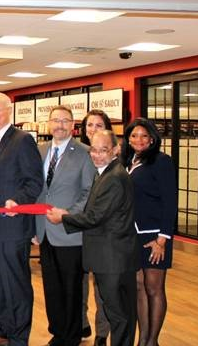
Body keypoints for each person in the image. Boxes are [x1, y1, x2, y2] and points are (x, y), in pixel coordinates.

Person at [46, 130, 139, 346]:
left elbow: (95, 217)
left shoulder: (114, 178)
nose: (97, 155)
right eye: (93, 150)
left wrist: (64, 217)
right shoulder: (104, 173)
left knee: (119, 314)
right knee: (117, 311)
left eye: (103, 150)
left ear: (115, 149)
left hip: (113, 259)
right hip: (109, 258)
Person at [0, 93, 43, 346]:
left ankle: (19, 337)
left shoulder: (23, 140)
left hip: (13, 225)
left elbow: (34, 180)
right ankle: (4, 329)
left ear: (9, 110)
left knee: (16, 284)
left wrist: (19, 200)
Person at [35, 106, 96, 346]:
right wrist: (33, 227)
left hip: (70, 233)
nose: (60, 125)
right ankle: (58, 332)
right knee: (51, 287)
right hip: (44, 231)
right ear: (48, 124)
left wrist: (68, 214)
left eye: (65, 121)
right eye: (55, 121)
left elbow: (89, 191)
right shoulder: (40, 151)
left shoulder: (84, 153)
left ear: (73, 125)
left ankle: (71, 336)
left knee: (71, 288)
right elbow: (38, 191)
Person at [120, 118, 177, 346]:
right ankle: (142, 339)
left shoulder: (161, 161)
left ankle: (152, 341)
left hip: (154, 235)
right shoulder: (127, 161)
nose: (139, 140)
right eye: (134, 135)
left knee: (154, 288)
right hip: (133, 234)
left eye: (144, 135)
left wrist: (162, 239)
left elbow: (170, 201)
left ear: (153, 138)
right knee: (139, 286)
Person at [79, 109, 113, 346]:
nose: (93, 129)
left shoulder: (113, 162)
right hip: (78, 229)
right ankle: (81, 323)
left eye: (99, 125)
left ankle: (102, 331)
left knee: (101, 286)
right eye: (89, 125)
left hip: (103, 233)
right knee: (78, 282)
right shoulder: (77, 156)